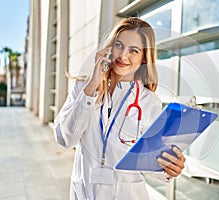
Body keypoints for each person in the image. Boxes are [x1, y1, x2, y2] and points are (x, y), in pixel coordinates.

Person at [54, 17, 186, 200]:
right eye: (119, 45)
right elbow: (64, 138)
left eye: (134, 50)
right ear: (109, 48)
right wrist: (92, 84)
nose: (123, 55)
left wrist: (169, 167)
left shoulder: (149, 102)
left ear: (143, 58)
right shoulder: (83, 88)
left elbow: (148, 160)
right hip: (84, 192)